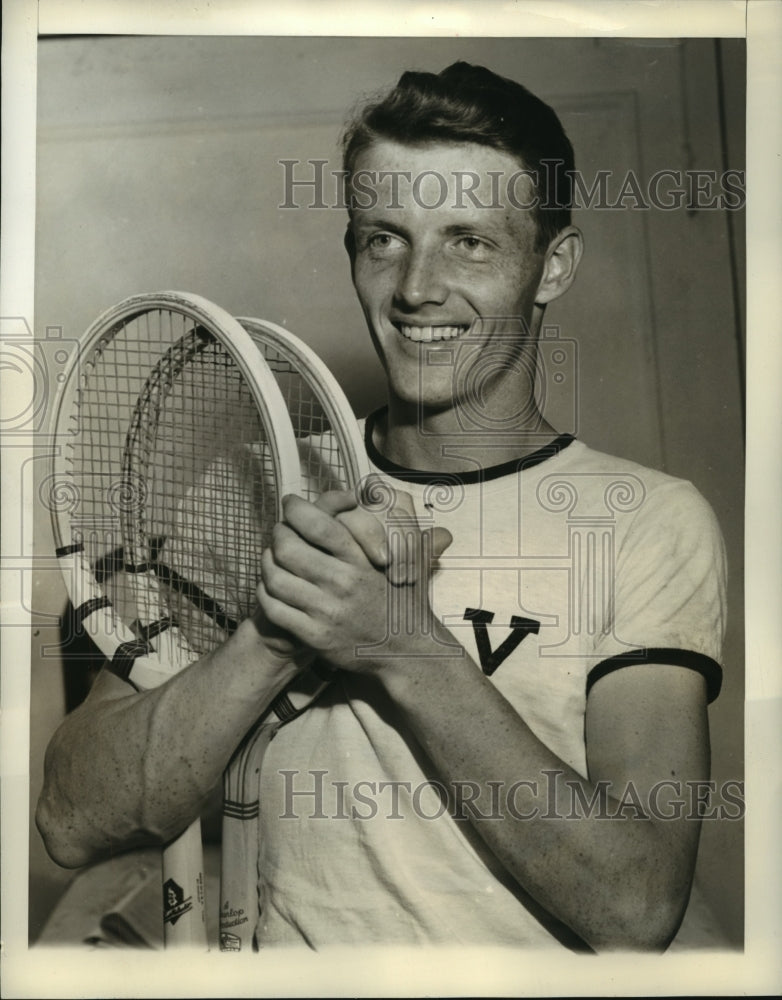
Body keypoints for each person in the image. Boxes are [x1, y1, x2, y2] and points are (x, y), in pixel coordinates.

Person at [36, 62, 727, 953]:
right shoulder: (259, 485)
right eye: (384, 239)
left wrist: (406, 647)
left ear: (553, 266)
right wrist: (277, 633)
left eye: (470, 241)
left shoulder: (647, 522)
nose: (415, 288)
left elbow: (636, 906)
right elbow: (71, 819)